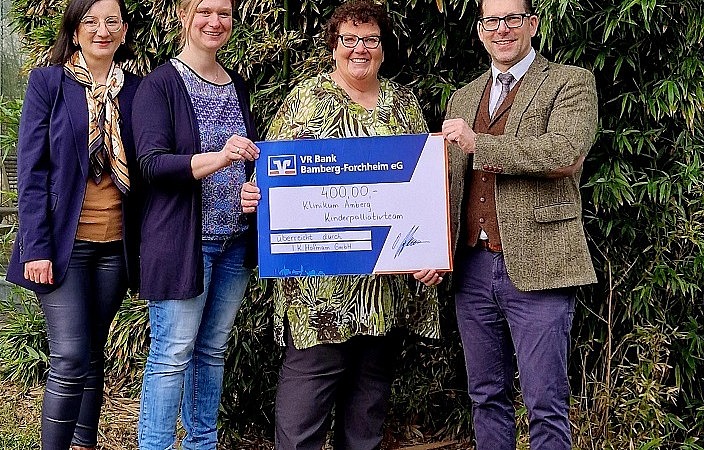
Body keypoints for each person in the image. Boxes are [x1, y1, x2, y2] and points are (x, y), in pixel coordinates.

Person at [241, 1, 440, 448]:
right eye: (349, 39)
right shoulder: (305, 100)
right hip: (319, 298)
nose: (360, 48)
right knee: (300, 425)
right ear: (333, 46)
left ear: (383, 49)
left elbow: (425, 190)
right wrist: (254, 193)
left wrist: (430, 253)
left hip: (383, 294)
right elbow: (268, 174)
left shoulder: (404, 106)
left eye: (370, 39)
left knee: (365, 423)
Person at [417, 0, 598, 448]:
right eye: (492, 21)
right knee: (485, 397)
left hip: (541, 264)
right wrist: (434, 249)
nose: (502, 29)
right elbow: (451, 185)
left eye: (512, 19)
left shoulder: (570, 81)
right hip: (472, 268)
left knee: (545, 403)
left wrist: (480, 143)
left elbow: (564, 153)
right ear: (480, 30)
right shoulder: (463, 96)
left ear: (531, 24)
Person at [5, 0, 141, 449]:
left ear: (124, 31)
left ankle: (85, 443)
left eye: (112, 21)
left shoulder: (135, 90)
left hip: (115, 247)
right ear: (75, 29)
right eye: (91, 21)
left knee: (92, 353)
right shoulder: (48, 83)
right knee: (69, 356)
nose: (102, 30)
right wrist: (36, 248)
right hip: (63, 247)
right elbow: (32, 171)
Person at [131, 0, 260, 447]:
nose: (215, 22)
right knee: (171, 355)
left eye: (224, 13)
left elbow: (250, 160)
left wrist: (251, 189)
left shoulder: (237, 85)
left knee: (211, 351)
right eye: (204, 11)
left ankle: (202, 444)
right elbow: (152, 164)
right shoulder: (159, 85)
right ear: (183, 15)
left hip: (234, 244)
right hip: (183, 244)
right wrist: (220, 158)